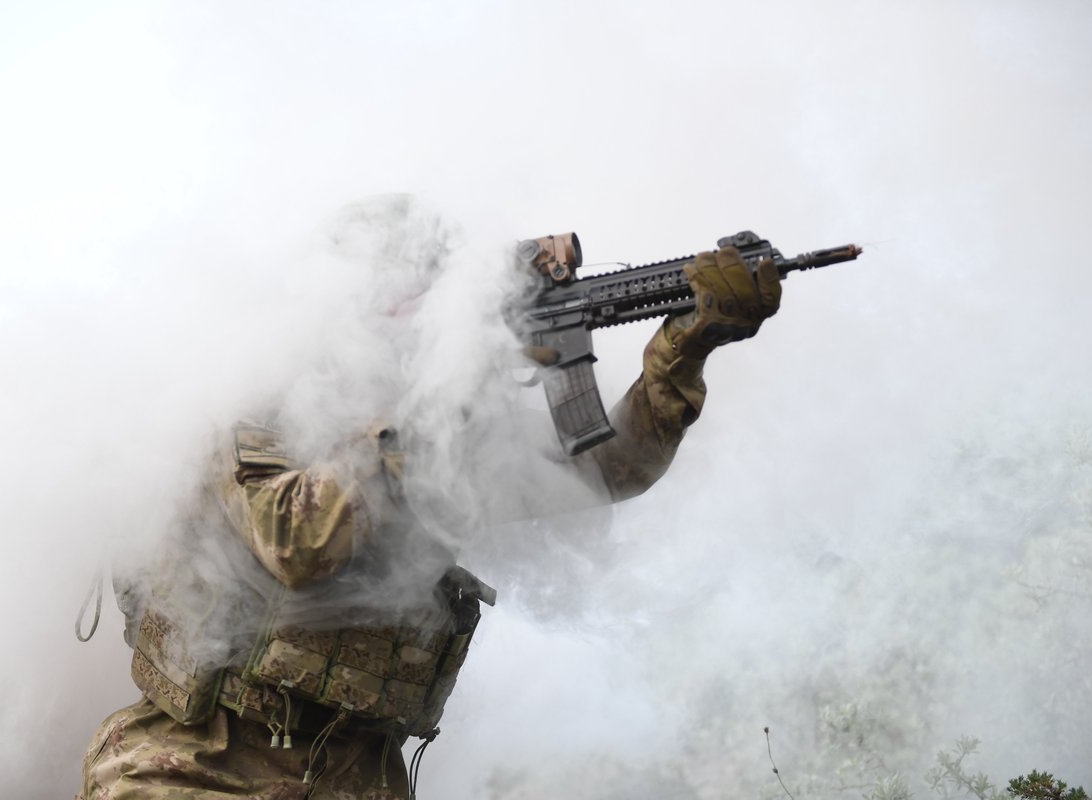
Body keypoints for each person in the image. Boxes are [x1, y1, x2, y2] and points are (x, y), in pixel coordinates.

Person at [76, 198, 782, 800]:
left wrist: (685, 349)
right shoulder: (251, 405)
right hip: (197, 771)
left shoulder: (442, 433)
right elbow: (296, 542)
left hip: (360, 776)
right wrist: (438, 398)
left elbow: (609, 469)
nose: (424, 322)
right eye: (410, 298)